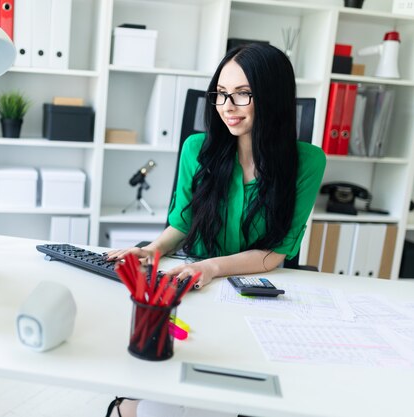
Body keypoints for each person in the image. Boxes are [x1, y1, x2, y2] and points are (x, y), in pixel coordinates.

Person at [104, 43, 326, 417]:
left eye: (242, 94)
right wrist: (153, 249)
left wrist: (211, 267)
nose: (227, 106)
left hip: (253, 297)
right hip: (196, 291)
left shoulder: (307, 161)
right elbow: (182, 224)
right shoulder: (198, 149)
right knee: (155, 387)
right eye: (221, 94)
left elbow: (274, 253)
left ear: (271, 96)